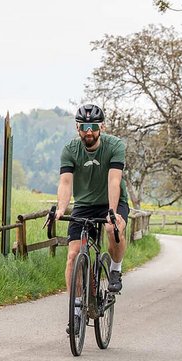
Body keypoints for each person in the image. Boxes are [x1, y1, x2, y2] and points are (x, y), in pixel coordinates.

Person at [54, 104, 129, 332]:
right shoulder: (70, 149)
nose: (89, 132)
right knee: (73, 255)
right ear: (78, 127)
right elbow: (66, 183)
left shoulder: (115, 146)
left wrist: (113, 212)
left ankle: (115, 269)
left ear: (101, 127)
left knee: (111, 229)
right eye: (84, 127)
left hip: (111, 202)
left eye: (93, 127)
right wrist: (60, 209)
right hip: (84, 205)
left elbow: (114, 181)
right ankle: (77, 310)